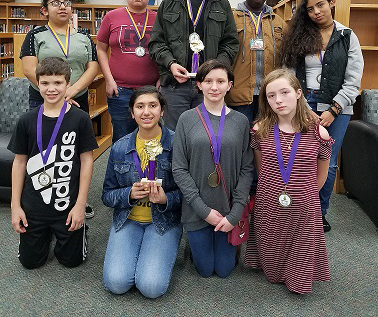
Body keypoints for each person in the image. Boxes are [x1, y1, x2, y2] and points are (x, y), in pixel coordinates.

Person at [280, 0, 363, 231]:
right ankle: (296, 210)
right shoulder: (299, 36)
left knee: (328, 161)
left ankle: (318, 212)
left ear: (331, 2)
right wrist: (302, 106)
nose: (316, 12)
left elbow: (353, 80)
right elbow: (289, 73)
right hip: (302, 104)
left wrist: (334, 110)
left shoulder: (348, 36)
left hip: (338, 107)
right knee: (298, 158)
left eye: (321, 5)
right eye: (310, 9)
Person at [244, 69, 333, 294]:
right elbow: (261, 166)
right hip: (269, 200)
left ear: (299, 93)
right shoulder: (260, 129)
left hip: (304, 202)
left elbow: (321, 172)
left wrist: (307, 194)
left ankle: (297, 276)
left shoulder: (318, 133)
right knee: (273, 248)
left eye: (284, 92)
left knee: (300, 248)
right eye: (271, 95)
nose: (278, 100)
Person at [9, 57, 98, 269]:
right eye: (45, 83)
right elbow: (20, 162)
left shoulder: (80, 119)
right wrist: (15, 206)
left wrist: (80, 206)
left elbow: (86, 161)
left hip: (67, 207)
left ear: (68, 84)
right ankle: (45, 235)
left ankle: (79, 231)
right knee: (30, 263)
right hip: (34, 209)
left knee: (72, 261)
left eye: (58, 83)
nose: (51, 89)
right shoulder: (26, 120)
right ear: (36, 83)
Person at [20, 0, 98, 219]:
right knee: (43, 150)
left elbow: (93, 67)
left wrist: (72, 91)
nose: (62, 6)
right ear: (44, 10)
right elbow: (28, 68)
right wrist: (56, 94)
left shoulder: (83, 36)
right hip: (44, 101)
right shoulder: (35, 36)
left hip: (77, 99)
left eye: (66, 3)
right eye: (55, 3)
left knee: (73, 151)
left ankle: (76, 200)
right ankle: (40, 202)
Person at [173, 60, 253, 278]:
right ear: (199, 84)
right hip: (197, 209)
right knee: (205, 270)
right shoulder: (186, 119)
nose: (214, 87)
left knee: (225, 270)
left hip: (228, 210)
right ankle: (195, 244)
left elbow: (247, 169)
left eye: (220, 81)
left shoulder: (241, 121)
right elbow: (179, 169)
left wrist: (236, 214)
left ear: (230, 85)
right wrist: (204, 211)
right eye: (208, 81)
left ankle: (222, 242)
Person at [102, 86, 182, 298]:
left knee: (151, 288)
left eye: (153, 106)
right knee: (116, 283)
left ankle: (153, 253)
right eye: (140, 107)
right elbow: (107, 195)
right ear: (132, 113)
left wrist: (166, 198)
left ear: (162, 111)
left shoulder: (177, 144)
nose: (146, 112)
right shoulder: (120, 147)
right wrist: (128, 194)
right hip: (128, 219)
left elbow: (188, 193)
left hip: (163, 221)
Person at [149, 0, 239, 130]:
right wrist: (171, 64)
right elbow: (157, 43)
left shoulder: (222, 5)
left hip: (208, 87)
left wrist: (215, 71)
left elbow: (230, 44)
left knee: (207, 136)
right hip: (175, 86)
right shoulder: (169, 4)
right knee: (175, 136)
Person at [97, 0, 159, 143]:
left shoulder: (159, 18)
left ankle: (148, 170)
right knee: (122, 139)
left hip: (151, 90)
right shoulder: (112, 17)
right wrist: (109, 80)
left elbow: (166, 50)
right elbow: (101, 49)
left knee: (150, 138)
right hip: (120, 90)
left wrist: (162, 78)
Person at [226, 0, 286, 125]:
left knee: (265, 140)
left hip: (270, 95)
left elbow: (288, 56)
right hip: (239, 94)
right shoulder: (231, 19)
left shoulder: (278, 22)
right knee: (241, 139)